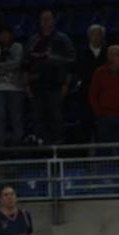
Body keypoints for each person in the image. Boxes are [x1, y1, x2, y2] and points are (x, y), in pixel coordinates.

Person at [26, 10, 75, 145]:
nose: (46, 22)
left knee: (56, 118)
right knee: (38, 119)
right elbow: (26, 65)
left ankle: (57, 149)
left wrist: (66, 84)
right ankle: (40, 150)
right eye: (43, 19)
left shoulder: (63, 40)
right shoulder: (33, 41)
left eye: (48, 19)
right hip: (37, 87)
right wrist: (26, 85)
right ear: (40, 22)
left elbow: (71, 65)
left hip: (56, 87)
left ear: (54, 21)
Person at [0, 27, 25, 147]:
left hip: (15, 88)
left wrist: (0, 66)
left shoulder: (18, 47)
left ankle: (18, 148)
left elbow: (17, 64)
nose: (4, 37)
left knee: (16, 119)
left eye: (6, 34)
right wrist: (4, 68)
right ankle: (0, 148)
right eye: (2, 34)